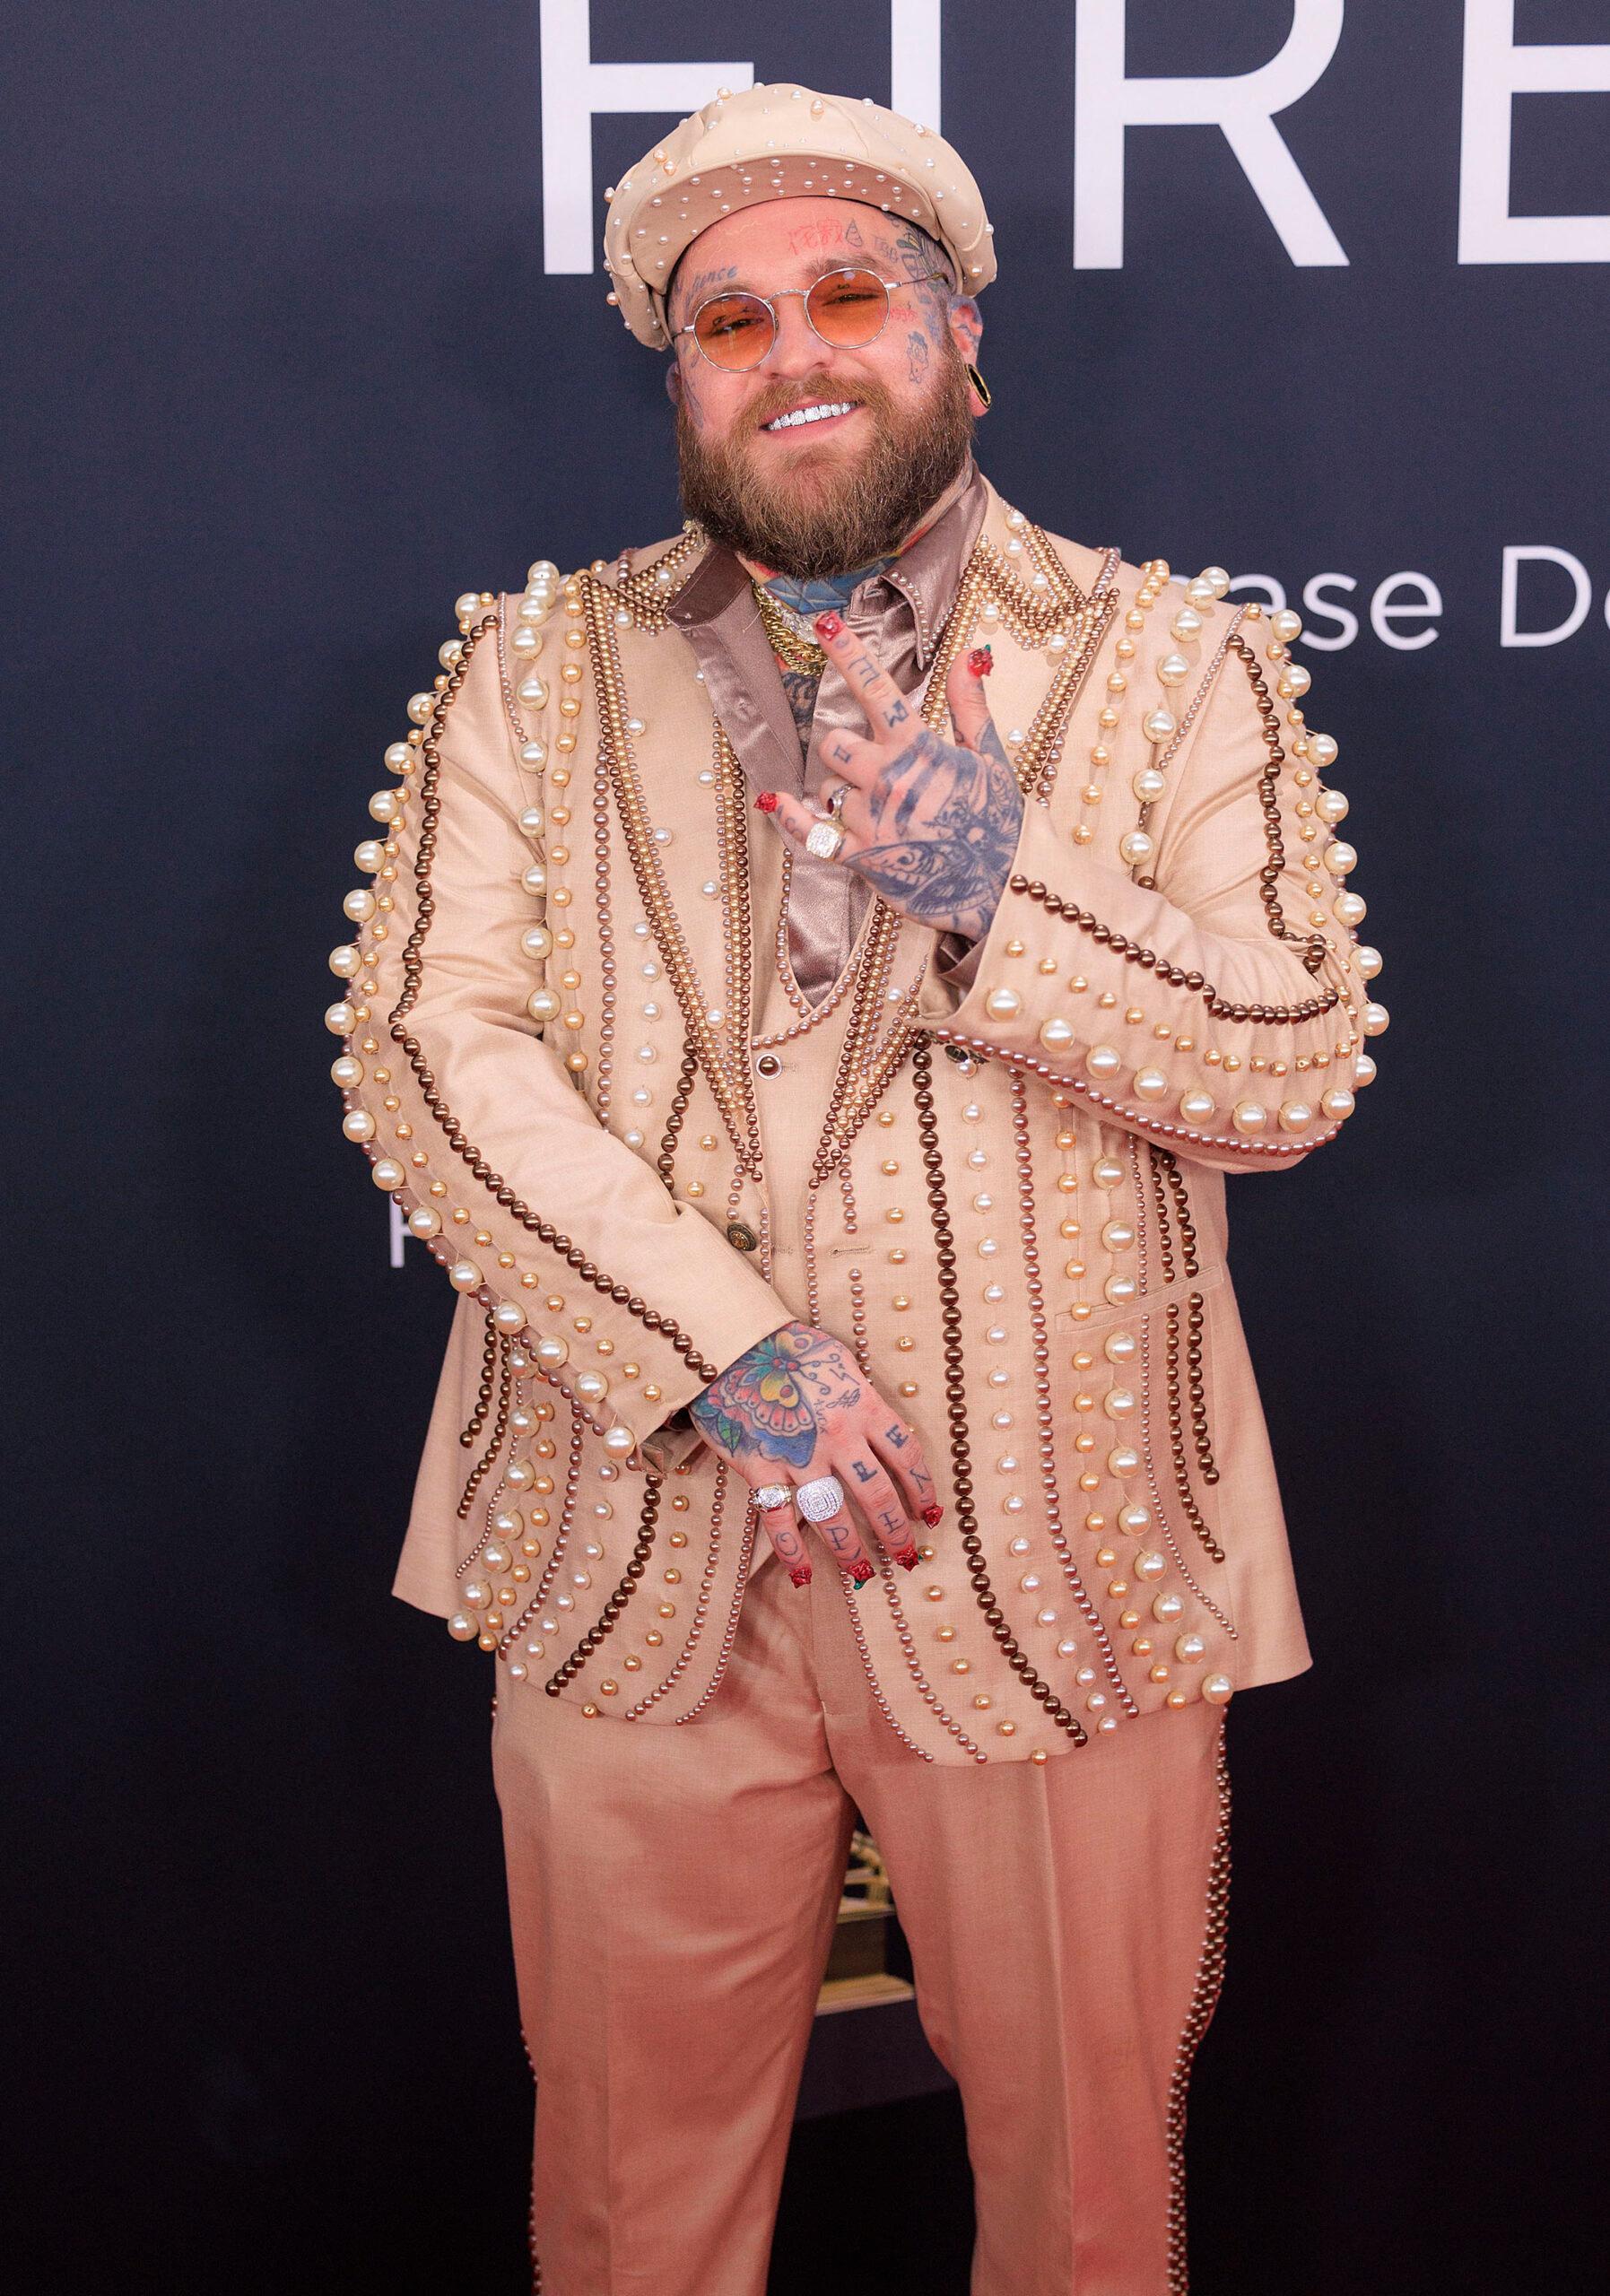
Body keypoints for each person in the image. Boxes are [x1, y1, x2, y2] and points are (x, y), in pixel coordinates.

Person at [325, 81, 1384, 2296]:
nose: (791, 351)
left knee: (1087, 2209)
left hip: (1060, 1556)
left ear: (959, 339)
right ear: (680, 375)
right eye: (728, 321)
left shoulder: (1173, 659)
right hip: (634, 1551)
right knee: (627, 2207)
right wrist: (731, 1353)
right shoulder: (528, 669)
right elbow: (430, 1053)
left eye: (846, 297)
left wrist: (998, 876)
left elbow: (1289, 1067)